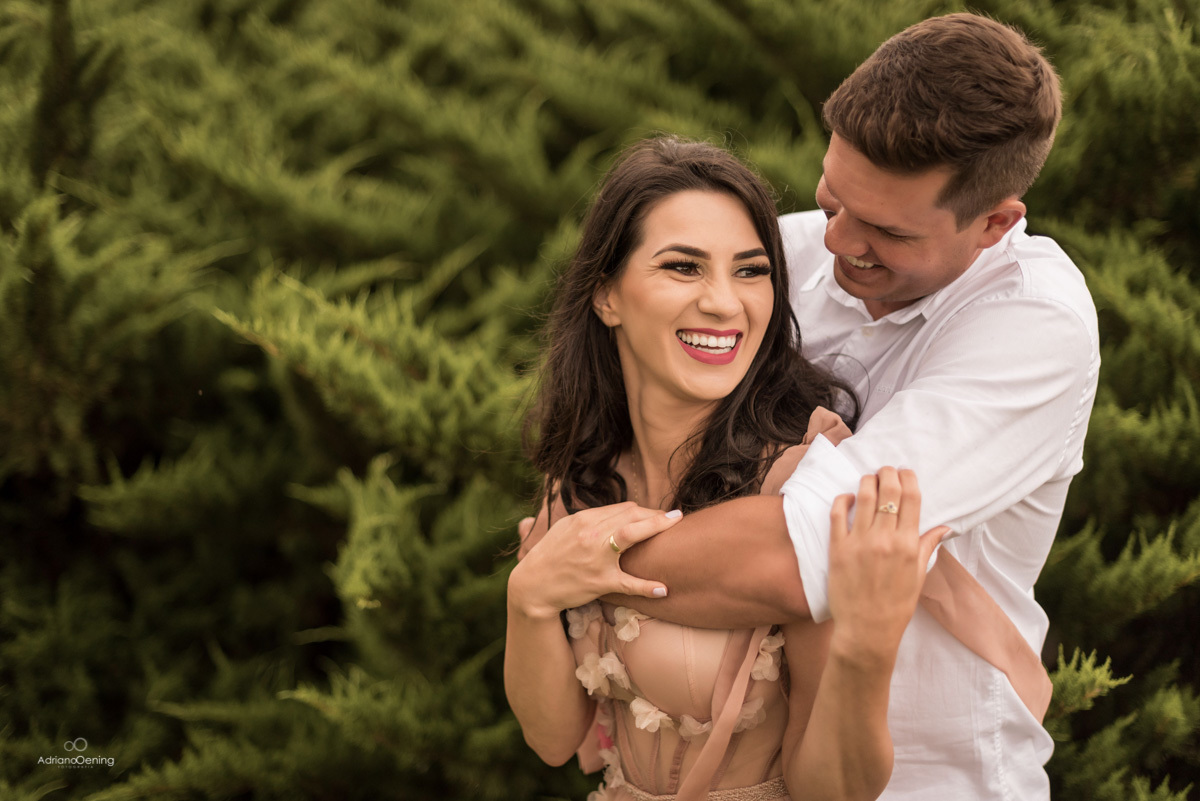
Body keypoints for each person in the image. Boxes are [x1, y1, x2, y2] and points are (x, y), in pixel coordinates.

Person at [592, 13, 1100, 801]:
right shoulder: (780, 257)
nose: (837, 242)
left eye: (886, 231)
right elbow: (613, 420)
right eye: (834, 198)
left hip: (936, 782)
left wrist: (574, 555)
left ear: (996, 221)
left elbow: (803, 556)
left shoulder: (1036, 326)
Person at [505, 137, 945, 801]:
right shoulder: (586, 466)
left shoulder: (806, 481)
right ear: (607, 296)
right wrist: (529, 597)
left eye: (750, 270)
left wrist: (866, 648)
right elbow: (553, 738)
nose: (724, 303)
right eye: (684, 267)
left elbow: (835, 791)